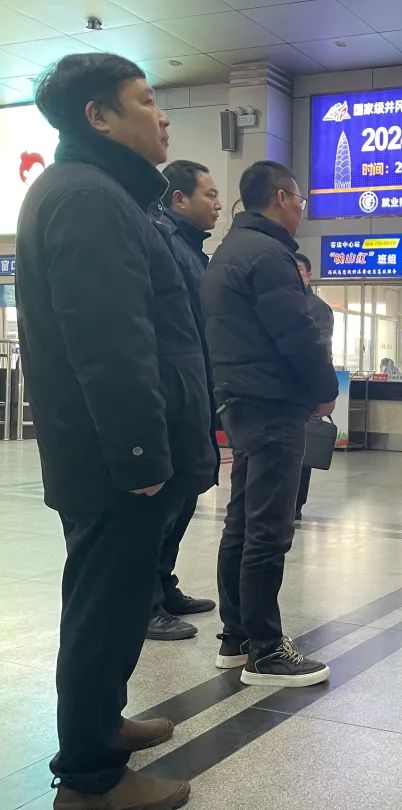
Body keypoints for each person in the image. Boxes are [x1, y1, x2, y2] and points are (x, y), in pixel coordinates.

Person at [16, 53, 216, 809]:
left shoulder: (105, 194)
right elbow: (110, 343)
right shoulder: (88, 198)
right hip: (113, 462)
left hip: (113, 456)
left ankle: (103, 723)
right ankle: (91, 778)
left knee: (118, 601)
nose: (162, 116)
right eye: (144, 101)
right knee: (103, 612)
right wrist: (140, 455)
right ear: (97, 117)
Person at [201, 161, 338, 687]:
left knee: (241, 520)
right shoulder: (268, 254)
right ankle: (266, 650)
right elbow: (297, 333)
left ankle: (236, 637)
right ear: (281, 197)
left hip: (240, 400)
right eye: (299, 199)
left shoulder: (228, 251)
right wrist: (323, 388)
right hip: (273, 403)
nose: (302, 208)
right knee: (268, 529)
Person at [145, 159, 223, 642]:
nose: (218, 204)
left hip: (197, 386)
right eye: (209, 195)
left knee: (187, 492)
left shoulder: (193, 249)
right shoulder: (166, 245)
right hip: (173, 390)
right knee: (166, 502)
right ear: (179, 199)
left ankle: (163, 583)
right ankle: (146, 603)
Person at [293, 252, 334, 523]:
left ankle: (296, 503)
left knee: (301, 451)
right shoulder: (279, 302)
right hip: (276, 392)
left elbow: (321, 351)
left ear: (309, 275)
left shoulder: (318, 308)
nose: (294, 274)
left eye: (299, 269)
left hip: (304, 393)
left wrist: (324, 392)